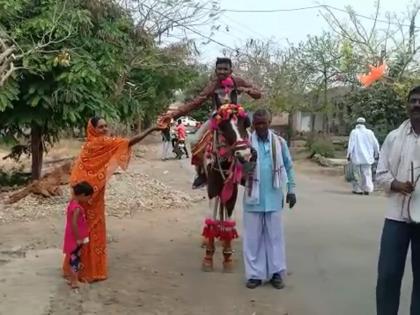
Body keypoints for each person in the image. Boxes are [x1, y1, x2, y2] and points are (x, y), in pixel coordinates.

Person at [63, 117, 158, 282]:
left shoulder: (88, 144)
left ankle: (75, 270)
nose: (105, 129)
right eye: (101, 127)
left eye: (106, 126)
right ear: (93, 129)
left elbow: (77, 172)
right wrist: (151, 129)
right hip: (89, 195)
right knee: (92, 230)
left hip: (83, 193)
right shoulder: (101, 143)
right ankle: (89, 272)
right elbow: (128, 142)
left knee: (81, 229)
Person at [158, 57, 262, 189]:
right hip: (217, 119)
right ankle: (201, 174)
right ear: (215, 70)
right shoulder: (213, 85)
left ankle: (248, 172)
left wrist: (249, 91)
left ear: (231, 70)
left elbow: (258, 94)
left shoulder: (238, 81)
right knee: (195, 140)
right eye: (219, 69)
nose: (222, 71)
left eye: (225, 69)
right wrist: (173, 115)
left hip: (236, 118)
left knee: (251, 143)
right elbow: (196, 102)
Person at [375, 86, 420, 315]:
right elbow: (381, 173)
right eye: (413, 101)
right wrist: (397, 184)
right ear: (407, 106)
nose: (417, 105)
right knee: (388, 275)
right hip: (396, 216)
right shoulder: (394, 137)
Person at [242, 109, 297, 290]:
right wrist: (244, 168)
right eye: (257, 124)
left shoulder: (279, 143)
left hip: (274, 198)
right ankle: (255, 275)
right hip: (253, 199)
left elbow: (288, 166)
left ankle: (276, 273)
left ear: (269, 122)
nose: (260, 126)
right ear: (253, 125)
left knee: (275, 238)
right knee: (253, 240)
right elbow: (237, 170)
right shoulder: (246, 144)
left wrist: (291, 190)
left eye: (263, 123)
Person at [63, 181, 94, 289]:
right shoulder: (77, 208)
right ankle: (74, 282)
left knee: (73, 259)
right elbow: (74, 223)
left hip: (70, 236)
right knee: (75, 260)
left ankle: (72, 280)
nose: (89, 199)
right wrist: (78, 238)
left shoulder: (72, 203)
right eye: (88, 197)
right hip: (75, 237)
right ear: (82, 195)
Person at [347, 117, 380, 195]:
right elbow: (376, 143)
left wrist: (349, 154)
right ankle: (367, 189)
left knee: (356, 174)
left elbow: (351, 144)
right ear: (364, 124)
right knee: (367, 173)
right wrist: (377, 153)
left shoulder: (354, 132)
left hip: (356, 157)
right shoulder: (370, 132)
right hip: (367, 157)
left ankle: (358, 189)